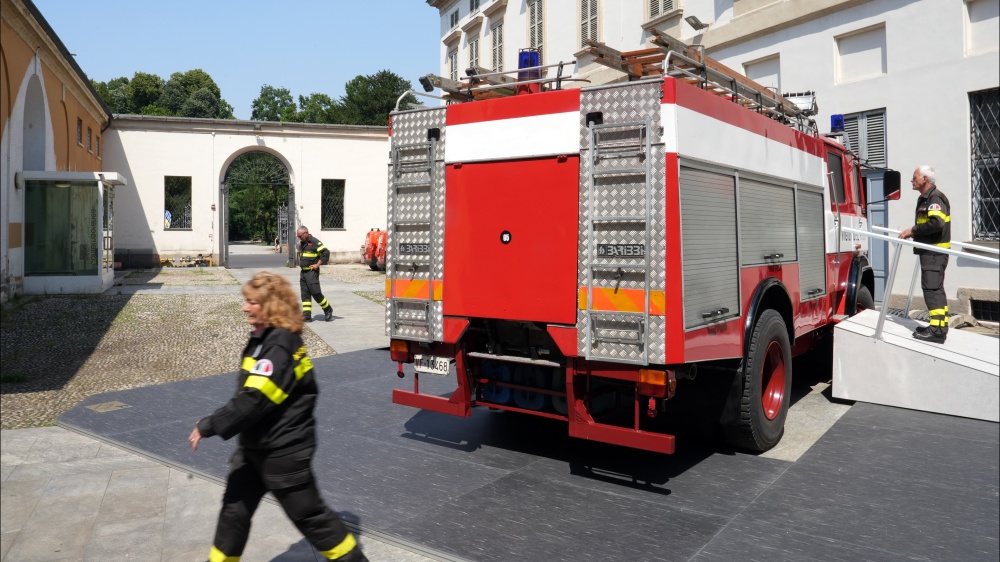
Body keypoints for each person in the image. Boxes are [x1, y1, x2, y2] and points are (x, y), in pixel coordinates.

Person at [188, 271, 367, 562]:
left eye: (251, 302)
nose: (244, 307)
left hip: (283, 454)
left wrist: (208, 425)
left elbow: (254, 400)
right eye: (245, 301)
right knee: (234, 511)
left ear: (270, 305)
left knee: (312, 518)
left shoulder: (279, 345)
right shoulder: (266, 338)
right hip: (255, 449)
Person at [898, 165, 951, 344]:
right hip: (932, 252)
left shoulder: (935, 198)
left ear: (925, 179)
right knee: (936, 289)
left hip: (934, 252)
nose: (911, 180)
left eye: (914, 177)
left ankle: (936, 332)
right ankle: (940, 326)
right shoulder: (926, 198)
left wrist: (912, 231)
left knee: (932, 290)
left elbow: (936, 224)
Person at [297, 226, 333, 322]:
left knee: (316, 293)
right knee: (305, 294)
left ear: (306, 233)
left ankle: (327, 309)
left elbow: (326, 252)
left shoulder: (314, 242)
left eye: (300, 236)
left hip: (311, 272)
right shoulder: (303, 242)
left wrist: (317, 265)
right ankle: (307, 315)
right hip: (303, 272)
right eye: (298, 236)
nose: (299, 238)